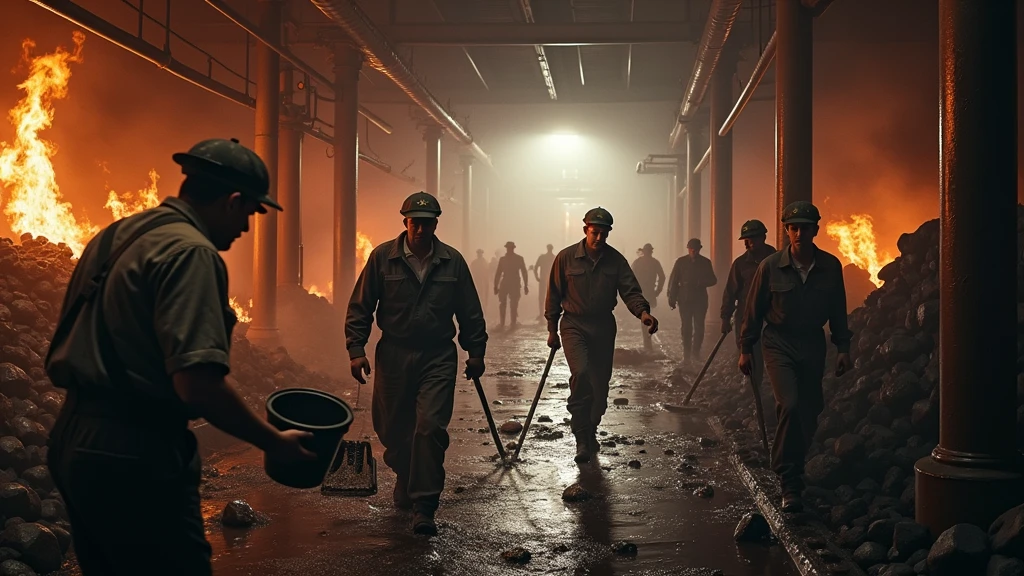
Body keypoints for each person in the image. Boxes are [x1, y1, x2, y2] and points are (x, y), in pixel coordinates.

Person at [44, 137, 315, 576]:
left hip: (75, 440)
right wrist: (272, 440)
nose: (246, 229)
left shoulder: (115, 235)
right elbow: (197, 382)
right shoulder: (192, 253)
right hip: (135, 451)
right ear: (231, 201)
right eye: (249, 214)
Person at [346, 191, 487, 536]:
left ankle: (424, 506)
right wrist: (356, 349)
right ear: (405, 222)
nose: (421, 229)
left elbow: (470, 311)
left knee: (429, 427)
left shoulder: (452, 262)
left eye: (427, 223)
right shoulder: (382, 258)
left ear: (436, 223)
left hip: (437, 354)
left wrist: (476, 352)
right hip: (394, 353)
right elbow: (361, 306)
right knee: (392, 429)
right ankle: (406, 476)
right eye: (415, 222)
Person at [738, 201, 852, 513]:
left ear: (816, 230)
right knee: (789, 404)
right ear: (787, 230)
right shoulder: (771, 266)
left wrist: (843, 347)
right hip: (778, 343)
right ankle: (790, 482)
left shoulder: (830, 266)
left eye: (805, 227)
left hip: (813, 343)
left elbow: (838, 310)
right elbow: (753, 311)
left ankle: (788, 457)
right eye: (794, 227)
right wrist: (746, 348)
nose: (799, 232)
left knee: (811, 407)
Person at [546, 207, 659, 464]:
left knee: (600, 385)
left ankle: (592, 427)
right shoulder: (565, 258)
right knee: (582, 373)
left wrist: (643, 313)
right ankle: (581, 437)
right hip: (573, 324)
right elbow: (553, 294)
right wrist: (552, 329)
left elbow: (630, 291)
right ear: (585, 229)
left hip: (603, 326)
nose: (599, 238)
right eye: (595, 232)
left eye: (604, 233)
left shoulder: (616, 261)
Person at [721, 220, 776, 393]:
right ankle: (753, 386)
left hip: (772, 316)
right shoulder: (740, 264)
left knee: (772, 352)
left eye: (751, 238)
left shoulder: (777, 260)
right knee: (748, 352)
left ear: (763, 238)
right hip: (746, 317)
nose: (746, 242)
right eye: (745, 239)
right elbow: (730, 292)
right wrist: (725, 317)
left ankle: (774, 386)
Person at [666, 238, 717, 364]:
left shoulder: (706, 263)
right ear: (688, 249)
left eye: (696, 249)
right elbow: (673, 280)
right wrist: (671, 298)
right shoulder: (680, 262)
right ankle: (687, 354)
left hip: (700, 299)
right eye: (692, 249)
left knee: (699, 327)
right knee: (686, 327)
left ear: (699, 249)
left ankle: (696, 353)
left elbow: (713, 280)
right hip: (685, 299)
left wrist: (701, 283)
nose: (694, 251)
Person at [631, 243, 666, 350]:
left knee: (645, 317)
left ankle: (647, 343)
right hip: (646, 293)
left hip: (644, 293)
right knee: (646, 316)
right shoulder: (654, 263)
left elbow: (630, 277)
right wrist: (657, 291)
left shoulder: (638, 263)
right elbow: (662, 277)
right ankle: (648, 343)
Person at [493, 241, 529, 328]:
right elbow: (524, 272)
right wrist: (525, 286)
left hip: (508, 282)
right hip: (513, 282)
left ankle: (506, 323)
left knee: (508, 303)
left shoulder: (504, 259)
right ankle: (509, 323)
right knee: (511, 303)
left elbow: (498, 273)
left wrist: (496, 286)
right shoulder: (518, 259)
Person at [533, 244, 555, 321]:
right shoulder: (553, 258)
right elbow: (535, 268)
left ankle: (543, 313)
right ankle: (545, 313)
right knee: (547, 298)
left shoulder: (544, 257)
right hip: (549, 280)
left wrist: (537, 277)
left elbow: (535, 268)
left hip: (546, 280)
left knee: (543, 298)